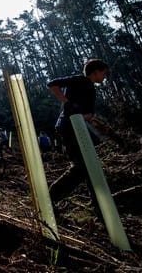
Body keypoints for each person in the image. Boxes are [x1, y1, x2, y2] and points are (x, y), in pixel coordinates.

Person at [47, 59, 109, 211]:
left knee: (91, 163)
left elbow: (87, 115)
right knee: (81, 166)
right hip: (68, 127)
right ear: (95, 72)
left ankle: (98, 203)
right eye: (103, 73)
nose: (104, 76)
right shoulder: (79, 80)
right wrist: (67, 103)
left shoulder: (92, 90)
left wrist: (98, 124)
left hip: (80, 128)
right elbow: (53, 84)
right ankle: (50, 198)